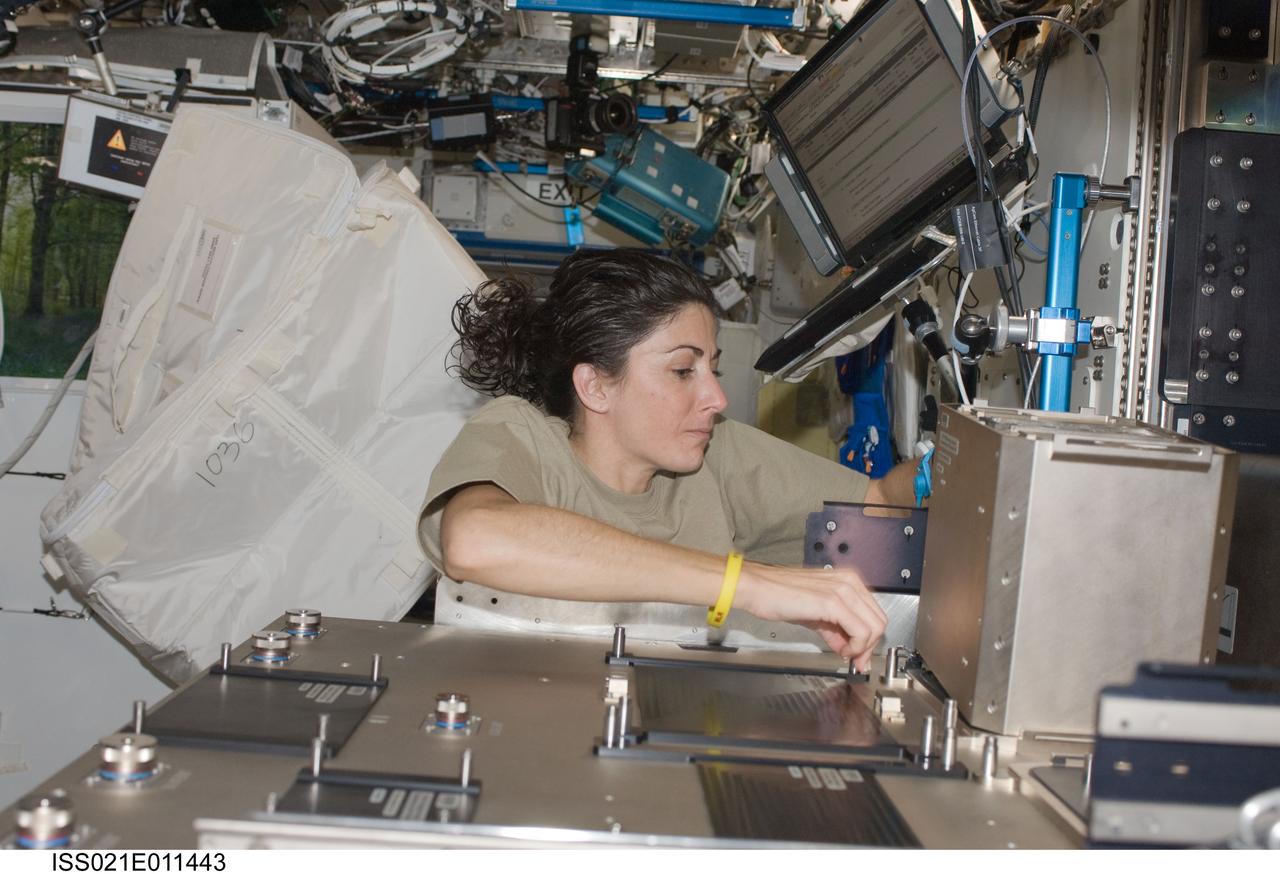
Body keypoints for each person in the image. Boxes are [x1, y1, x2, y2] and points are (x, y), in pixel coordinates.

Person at [417, 249, 920, 671]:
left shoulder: (714, 452)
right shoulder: (521, 434)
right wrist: (743, 584)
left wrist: (947, 469)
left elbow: (878, 501)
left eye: (713, 369)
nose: (717, 399)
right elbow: (474, 539)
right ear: (595, 386)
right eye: (682, 371)